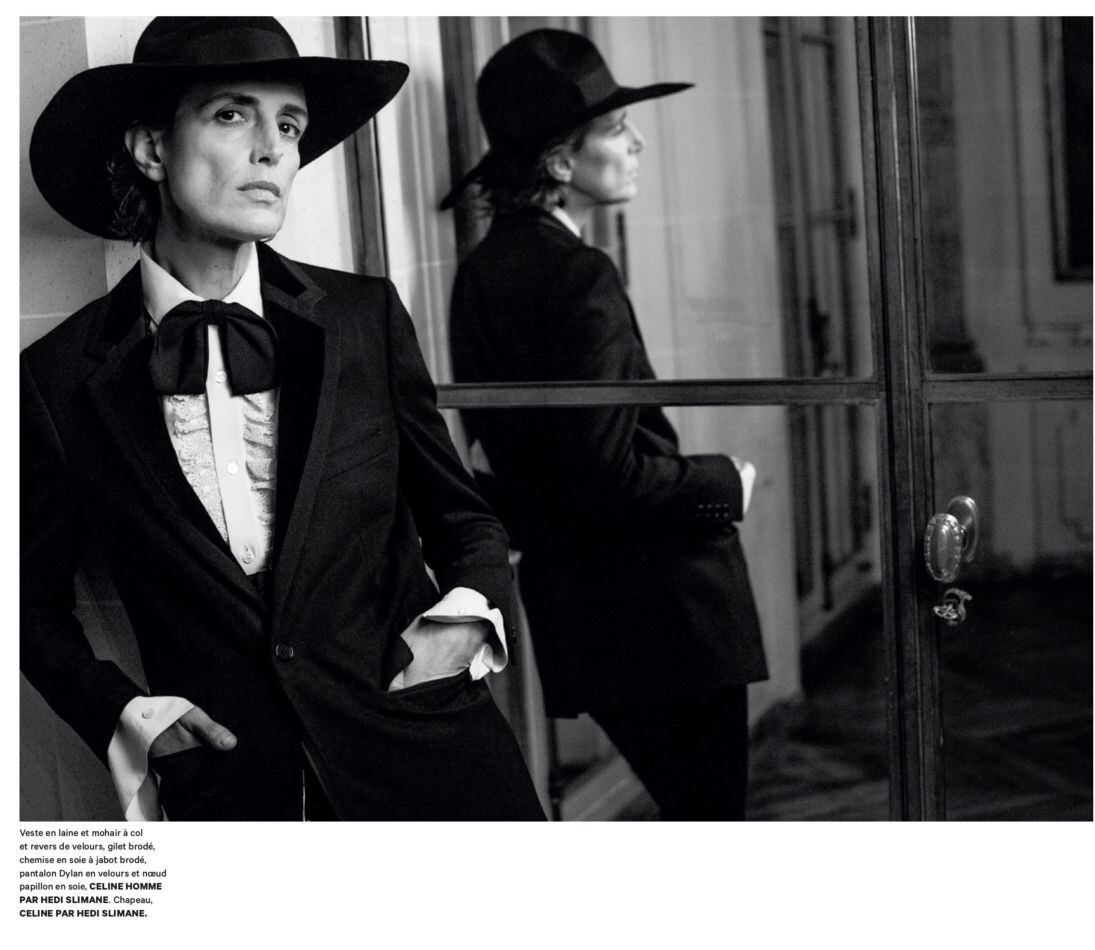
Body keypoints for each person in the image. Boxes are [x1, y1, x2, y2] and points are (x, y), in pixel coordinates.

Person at [22, 16, 544, 821]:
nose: (272, 149)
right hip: (234, 790)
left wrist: (463, 624)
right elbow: (26, 604)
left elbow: (463, 517)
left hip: (427, 751)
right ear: (152, 149)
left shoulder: (364, 319)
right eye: (233, 114)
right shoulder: (57, 378)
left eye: (290, 125)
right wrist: (126, 716)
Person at [444, 29, 769, 820]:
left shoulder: (481, 270)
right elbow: (600, 474)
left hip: (583, 610)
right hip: (664, 612)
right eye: (617, 130)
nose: (637, 144)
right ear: (560, 163)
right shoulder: (579, 273)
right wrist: (723, 482)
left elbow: (518, 461)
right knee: (713, 824)